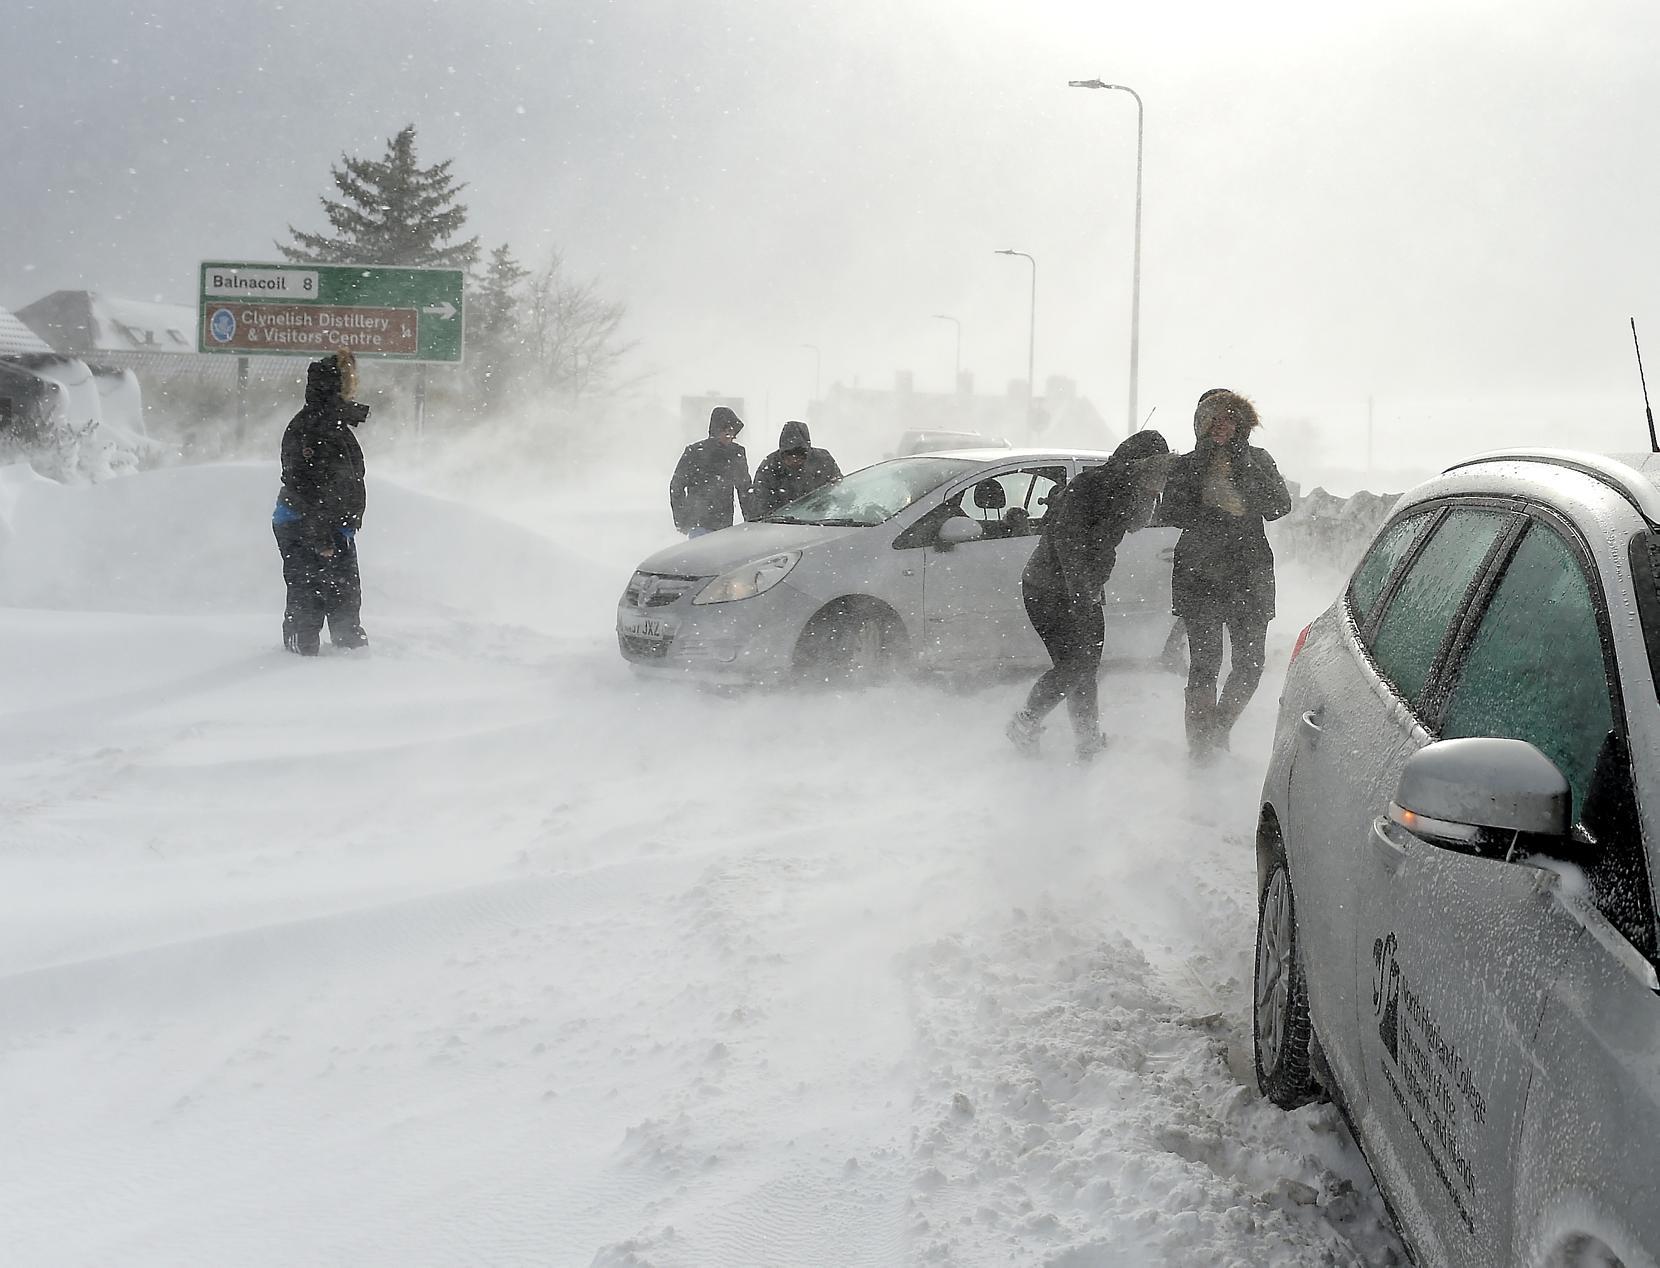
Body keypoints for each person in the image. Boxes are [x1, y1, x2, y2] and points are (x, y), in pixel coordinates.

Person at [1006, 429, 1176, 761]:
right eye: (1156, 471)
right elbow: (1068, 542)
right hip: (1049, 590)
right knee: (1074, 666)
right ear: (1138, 465)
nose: (1160, 481)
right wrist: (1081, 593)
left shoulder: (1129, 492)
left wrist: (1149, 491)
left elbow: (1136, 523)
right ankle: (1025, 724)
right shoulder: (1090, 487)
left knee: (1084, 667)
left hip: (1081, 591)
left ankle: (1087, 739)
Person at [1159, 388, 1293, 759]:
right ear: (1200, 424)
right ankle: (1199, 749)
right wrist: (1205, 482)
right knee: (1205, 665)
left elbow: (1279, 506)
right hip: (1200, 575)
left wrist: (1243, 469)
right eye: (1212, 419)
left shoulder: (1259, 460)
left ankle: (1218, 729)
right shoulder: (1186, 465)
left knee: (1250, 665)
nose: (1221, 426)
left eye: (1229, 418)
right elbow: (1171, 512)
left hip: (1249, 575)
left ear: (1241, 423)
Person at [272, 349, 370, 656]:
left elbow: (343, 482)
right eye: (349, 380)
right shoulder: (312, 428)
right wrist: (319, 536)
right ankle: (299, 664)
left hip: (334, 527)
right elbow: (304, 487)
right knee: (308, 596)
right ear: (336, 385)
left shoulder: (335, 426)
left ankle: (351, 654)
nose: (354, 388)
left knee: (345, 595)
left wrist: (342, 526)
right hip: (304, 524)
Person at [669, 406, 753, 537]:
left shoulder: (736, 453)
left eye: (732, 431)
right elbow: (677, 486)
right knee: (700, 556)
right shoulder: (695, 452)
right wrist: (682, 520)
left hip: (724, 524)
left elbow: (744, 489)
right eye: (725, 430)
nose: (729, 435)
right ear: (716, 430)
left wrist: (752, 520)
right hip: (698, 523)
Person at [750, 420, 842, 518]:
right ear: (782, 454)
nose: (794, 461)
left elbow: (840, 490)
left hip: (822, 519)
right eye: (789, 457)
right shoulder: (769, 466)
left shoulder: (823, 460)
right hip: (782, 523)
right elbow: (760, 505)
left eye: (800, 456)